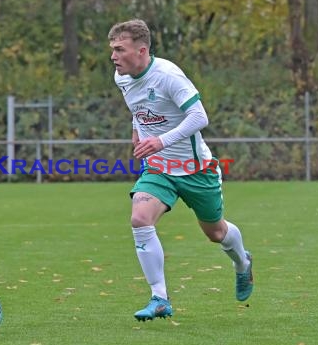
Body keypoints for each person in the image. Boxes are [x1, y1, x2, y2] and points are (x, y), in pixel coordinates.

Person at [108, 19, 253, 321]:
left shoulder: (168, 76)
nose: (113, 57)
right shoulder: (121, 77)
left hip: (196, 169)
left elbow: (199, 117)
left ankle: (242, 264)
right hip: (159, 169)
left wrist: (161, 140)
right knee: (139, 217)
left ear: (141, 50)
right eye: (112, 50)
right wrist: (136, 129)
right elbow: (138, 108)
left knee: (216, 232)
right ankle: (159, 297)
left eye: (119, 49)